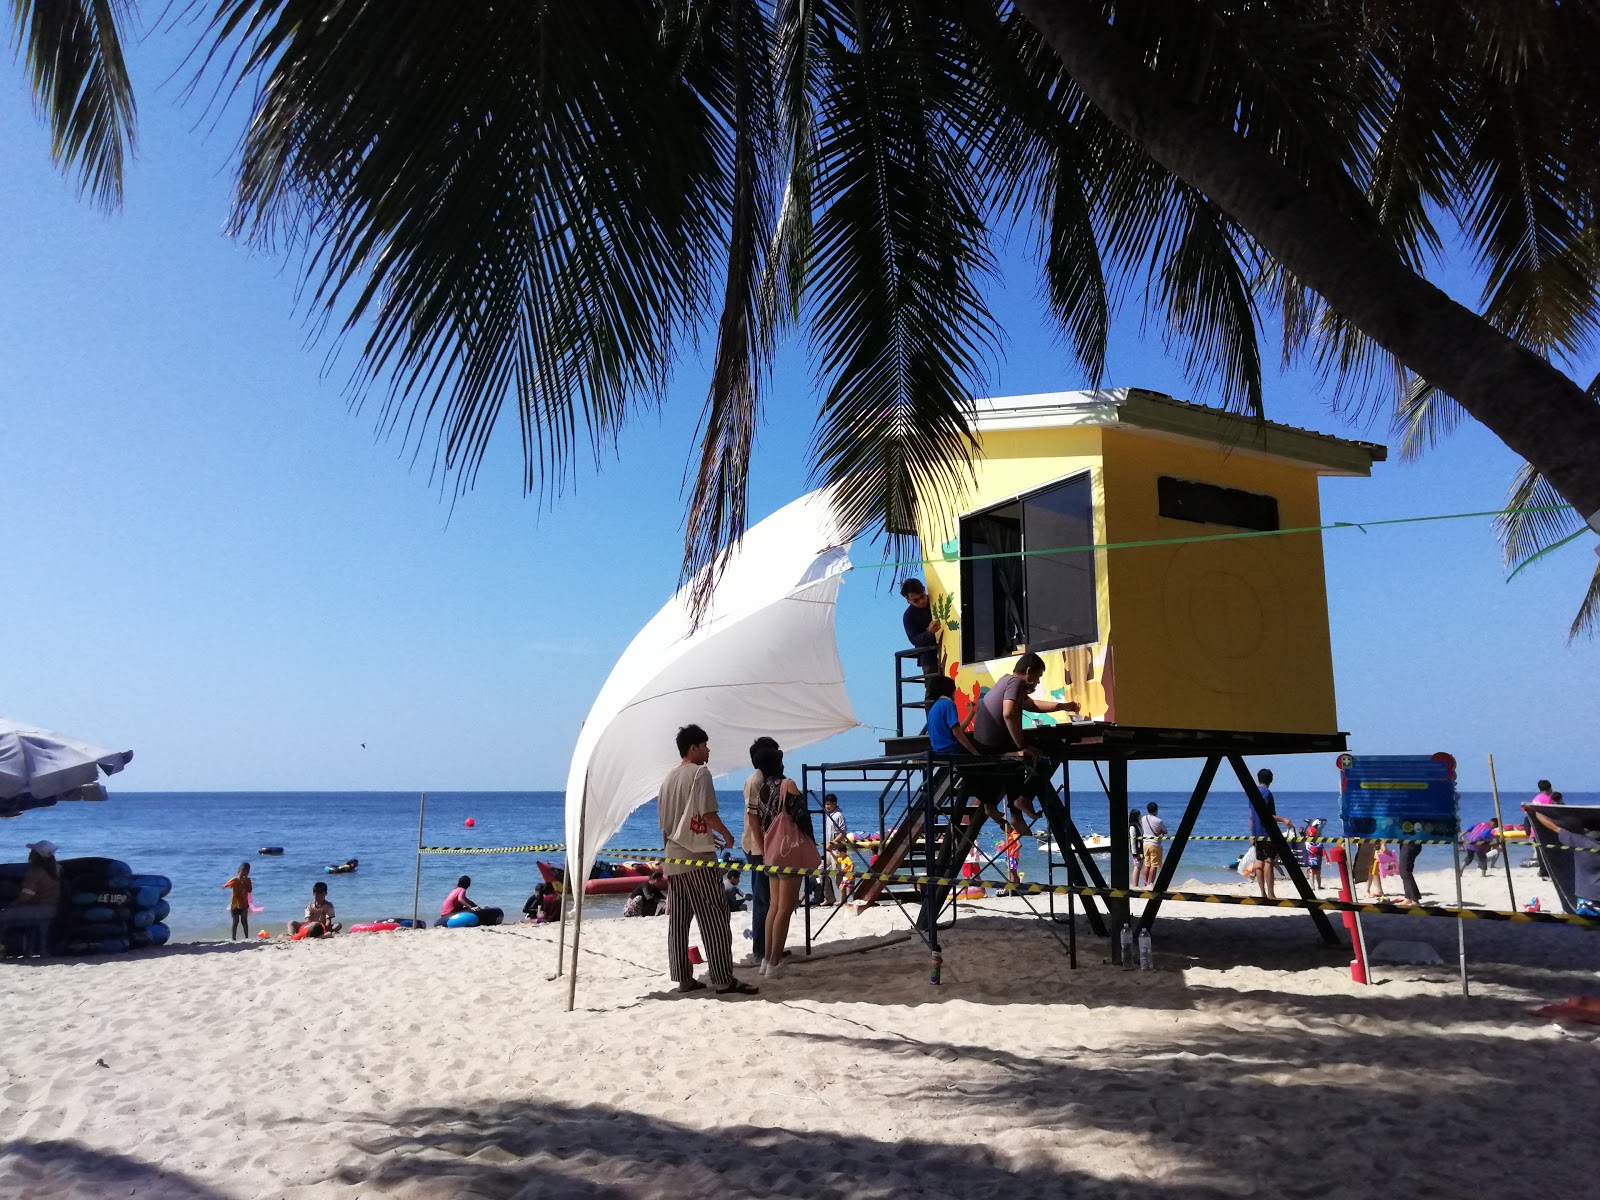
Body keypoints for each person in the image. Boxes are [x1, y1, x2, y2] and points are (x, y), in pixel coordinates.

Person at [658, 724, 755, 995]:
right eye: (705, 745)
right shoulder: (700, 773)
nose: (709, 750)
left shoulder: (668, 779)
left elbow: (667, 822)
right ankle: (723, 979)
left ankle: (683, 978)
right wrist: (727, 835)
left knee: (678, 921)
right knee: (714, 917)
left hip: (674, 859)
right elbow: (707, 813)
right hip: (697, 858)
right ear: (694, 748)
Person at [971, 652, 1079, 829]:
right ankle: (1025, 798)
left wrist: (1062, 706)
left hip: (984, 744)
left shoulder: (1006, 680)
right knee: (1053, 748)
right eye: (1038, 677)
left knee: (1020, 761)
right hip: (993, 747)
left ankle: (1013, 812)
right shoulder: (1016, 682)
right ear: (1029, 672)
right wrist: (1022, 745)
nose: (1037, 682)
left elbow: (1032, 705)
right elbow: (1008, 713)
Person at [754, 742, 821, 979]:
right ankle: (774, 962)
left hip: (771, 851)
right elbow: (802, 817)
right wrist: (813, 845)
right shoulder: (787, 785)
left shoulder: (761, 789)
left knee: (773, 906)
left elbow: (761, 822)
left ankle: (766, 960)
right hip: (789, 852)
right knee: (785, 907)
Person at [927, 674, 1008, 829]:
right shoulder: (948, 704)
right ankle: (991, 806)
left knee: (974, 778)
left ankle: (990, 806)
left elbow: (955, 729)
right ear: (950, 690)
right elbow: (957, 732)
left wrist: (971, 713)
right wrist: (973, 751)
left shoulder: (935, 707)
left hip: (941, 749)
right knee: (991, 767)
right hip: (953, 749)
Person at [739, 736, 777, 967]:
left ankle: (770, 945)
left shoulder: (769, 778)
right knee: (762, 898)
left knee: (772, 898)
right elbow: (753, 818)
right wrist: (762, 849)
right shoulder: (756, 780)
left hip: (765, 845)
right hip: (756, 846)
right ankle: (760, 949)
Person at [1530, 809, 1600, 917]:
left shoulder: (1579, 841)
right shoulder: (1581, 841)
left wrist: (1534, 811)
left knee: (1586, 927)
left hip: (1586, 896)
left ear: (1585, 829)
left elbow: (1553, 826)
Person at [1248, 769, 1294, 899]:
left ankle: (1262, 893)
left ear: (1258, 778)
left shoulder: (1253, 793)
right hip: (1267, 832)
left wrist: (1252, 834)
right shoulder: (1267, 793)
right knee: (1269, 862)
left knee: (1259, 862)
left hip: (1257, 832)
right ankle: (1270, 893)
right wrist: (1284, 820)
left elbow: (1251, 816)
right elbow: (1266, 814)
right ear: (1271, 780)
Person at [900, 578, 942, 693]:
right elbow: (914, 639)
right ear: (908, 600)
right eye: (916, 600)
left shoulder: (938, 601)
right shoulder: (908, 616)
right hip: (929, 657)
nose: (921, 602)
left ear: (924, 590)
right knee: (932, 691)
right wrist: (929, 633)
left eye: (922, 596)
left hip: (949, 651)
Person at [821, 794, 851, 905]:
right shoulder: (828, 815)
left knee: (838, 873)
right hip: (828, 849)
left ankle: (842, 899)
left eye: (829, 804)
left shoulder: (838, 815)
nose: (827, 806)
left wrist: (832, 844)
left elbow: (843, 832)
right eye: (825, 804)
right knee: (821, 870)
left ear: (834, 803)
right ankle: (829, 897)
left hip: (836, 849)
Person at [15, 840, 61, 911]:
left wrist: (10, 906)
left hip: (38, 910)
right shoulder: (56, 870)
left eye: (32, 851)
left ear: (35, 855)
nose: (30, 853)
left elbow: (25, 897)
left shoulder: (35, 873)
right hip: (53, 909)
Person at [1138, 802, 1168, 888]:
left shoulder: (1144, 818)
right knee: (1154, 865)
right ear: (1156, 810)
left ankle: (1145, 882)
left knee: (1147, 864)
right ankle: (1150, 883)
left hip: (1145, 844)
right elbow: (1165, 831)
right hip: (1155, 845)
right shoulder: (1159, 821)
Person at [222, 862, 253, 940]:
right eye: (242, 874)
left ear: (248, 873)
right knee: (235, 922)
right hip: (235, 904)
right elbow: (226, 885)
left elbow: (250, 891)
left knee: (244, 922)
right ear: (238, 872)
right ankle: (234, 938)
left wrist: (246, 884)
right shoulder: (235, 880)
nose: (244, 876)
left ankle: (247, 937)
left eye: (246, 874)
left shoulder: (248, 881)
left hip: (244, 905)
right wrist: (226, 885)